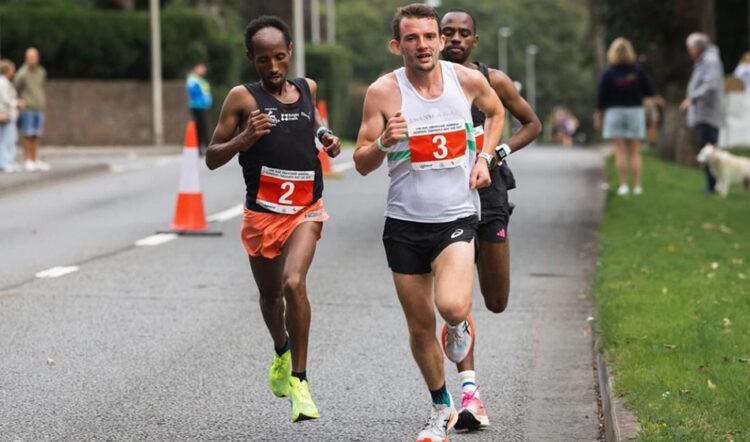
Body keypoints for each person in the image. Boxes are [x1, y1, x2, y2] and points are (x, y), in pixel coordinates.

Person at [353, 4, 505, 441]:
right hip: (403, 224)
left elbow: (496, 114)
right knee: (420, 325)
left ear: (441, 40)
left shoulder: (468, 81)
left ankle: (460, 337)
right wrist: (383, 141)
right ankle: (442, 408)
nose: (423, 45)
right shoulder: (383, 93)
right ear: (397, 45)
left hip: (456, 217)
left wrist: (484, 156)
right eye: (412, 38)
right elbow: (361, 162)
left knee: (453, 307)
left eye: (429, 36)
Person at [205, 15, 340, 423]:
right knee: (270, 298)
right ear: (252, 59)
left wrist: (327, 138)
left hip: (305, 208)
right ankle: (281, 348)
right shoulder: (241, 99)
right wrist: (245, 138)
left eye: (280, 58)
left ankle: (300, 380)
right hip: (263, 214)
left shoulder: (307, 87)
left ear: (290, 53)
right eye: (264, 60)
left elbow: (313, 124)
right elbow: (212, 157)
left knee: (294, 283)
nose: (274, 68)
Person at [439, 8, 541, 432]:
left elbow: (532, 123)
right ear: (437, 37)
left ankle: (462, 315)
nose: (456, 39)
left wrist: (500, 152)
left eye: (464, 33)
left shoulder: (492, 80)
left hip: (491, 193)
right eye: (448, 32)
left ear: (475, 41)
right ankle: (469, 392)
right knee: (456, 301)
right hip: (445, 202)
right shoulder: (424, 83)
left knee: (496, 300)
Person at [594, 37, 655, 196]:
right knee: (635, 152)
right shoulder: (637, 71)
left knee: (620, 151)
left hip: (614, 113)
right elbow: (649, 90)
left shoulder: (609, 73)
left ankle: (623, 186)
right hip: (634, 111)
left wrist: (599, 115)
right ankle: (637, 186)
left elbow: (601, 97)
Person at [680, 32, 724, 194]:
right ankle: (712, 185)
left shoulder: (710, 61)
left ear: (698, 47)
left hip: (708, 113)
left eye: (690, 48)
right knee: (706, 148)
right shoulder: (703, 61)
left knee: (709, 150)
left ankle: (714, 186)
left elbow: (711, 85)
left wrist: (693, 98)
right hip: (702, 113)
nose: (689, 51)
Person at [14, 47, 49, 172]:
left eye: (35, 57)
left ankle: (35, 159)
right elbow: (15, 88)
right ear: (26, 58)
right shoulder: (22, 73)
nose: (33, 60)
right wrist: (18, 101)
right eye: (30, 57)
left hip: (38, 106)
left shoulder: (41, 71)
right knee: (27, 134)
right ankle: (28, 159)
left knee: (36, 134)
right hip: (27, 108)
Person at [186, 62, 212, 154]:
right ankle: (202, 146)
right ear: (196, 68)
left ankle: (204, 146)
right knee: (201, 127)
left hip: (202, 106)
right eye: (202, 68)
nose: (203, 70)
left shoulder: (199, 79)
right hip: (197, 106)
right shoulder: (193, 79)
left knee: (202, 126)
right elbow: (193, 91)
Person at [0, 59, 20, 173]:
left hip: (8, 114)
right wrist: (17, 103)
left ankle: (9, 161)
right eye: (12, 69)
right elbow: (6, 99)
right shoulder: (2, 83)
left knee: (8, 139)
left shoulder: (5, 82)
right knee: (7, 140)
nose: (14, 72)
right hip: (6, 114)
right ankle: (5, 162)